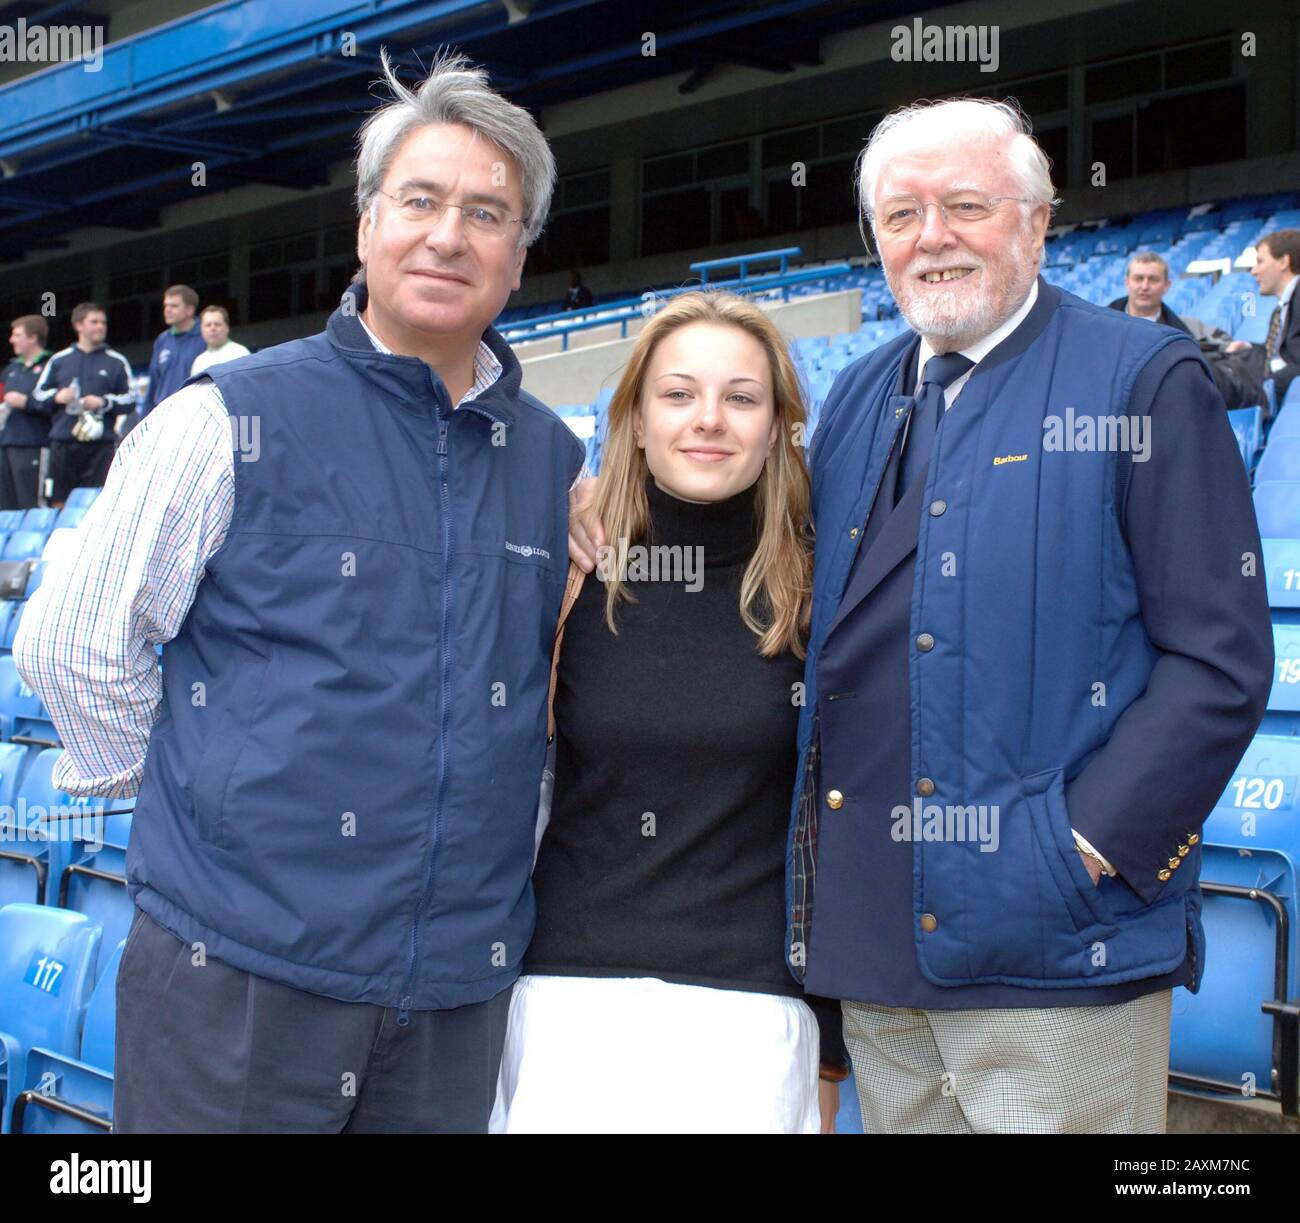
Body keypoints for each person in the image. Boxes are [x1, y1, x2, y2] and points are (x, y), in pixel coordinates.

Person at [571, 98, 1274, 1134]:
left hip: (1053, 951)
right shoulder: (856, 394)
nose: (930, 237)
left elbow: (1218, 661)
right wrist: (586, 506)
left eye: (964, 205)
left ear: (1036, 224)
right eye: (900, 215)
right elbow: (745, 534)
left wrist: (1076, 846)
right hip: (878, 952)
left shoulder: (1139, 380)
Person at [16, 50, 583, 1134]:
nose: (447, 234)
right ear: (366, 223)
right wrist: (211, 808)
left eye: (486, 213)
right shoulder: (226, 416)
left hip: (454, 994)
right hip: (237, 979)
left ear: (520, 253)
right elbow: (73, 641)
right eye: (419, 200)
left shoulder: (552, 460)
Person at [492, 291, 847, 1134]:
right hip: (564, 1007)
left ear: (779, 425)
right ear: (638, 420)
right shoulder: (568, 573)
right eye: (679, 394)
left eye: (742, 397)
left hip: (753, 1021)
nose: (709, 420)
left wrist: (827, 1044)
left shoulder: (820, 593)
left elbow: (844, 827)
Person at [1108, 252, 1262, 410]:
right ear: (1127, 282)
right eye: (1138, 278)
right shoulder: (1104, 329)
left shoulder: (1190, 328)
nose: (1145, 286)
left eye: (1153, 279)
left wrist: (1226, 348)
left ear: (1167, 285)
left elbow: (1222, 347)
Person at [30, 302, 134, 505]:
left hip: (100, 446)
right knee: (58, 503)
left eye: (103, 322)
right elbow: (37, 396)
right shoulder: (59, 360)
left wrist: (103, 402)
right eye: (94, 322)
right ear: (78, 325)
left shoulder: (116, 361)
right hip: (63, 443)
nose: (100, 327)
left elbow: (131, 399)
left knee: (98, 503)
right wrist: (57, 397)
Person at [1227, 228, 1300, 402]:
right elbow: (1283, 352)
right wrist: (1251, 348)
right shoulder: (1281, 308)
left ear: (1283, 262)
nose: (1254, 271)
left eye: (1260, 262)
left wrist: (1267, 385)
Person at [0, 315, 53, 509]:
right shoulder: (11, 369)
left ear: (32, 337)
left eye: (17, 335)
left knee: (30, 505)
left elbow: (58, 404)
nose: (11, 340)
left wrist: (27, 402)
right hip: (6, 443)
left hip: (34, 444)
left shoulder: (52, 365)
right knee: (5, 507)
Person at [137, 284, 206, 417]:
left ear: (189, 309)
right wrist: (143, 419)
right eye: (166, 306)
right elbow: (154, 383)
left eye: (174, 306)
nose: (167, 310)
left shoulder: (205, 335)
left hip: (194, 413)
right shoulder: (162, 340)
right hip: (164, 414)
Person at [190, 305, 250, 376]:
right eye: (208, 325)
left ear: (227, 328)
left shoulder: (240, 353)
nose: (212, 328)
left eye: (217, 324)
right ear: (201, 330)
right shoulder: (198, 362)